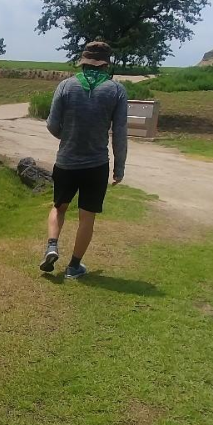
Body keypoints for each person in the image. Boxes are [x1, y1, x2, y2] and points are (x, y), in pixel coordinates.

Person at [40, 41, 128, 279]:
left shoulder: (66, 86)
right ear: (106, 64)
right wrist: (119, 167)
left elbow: (51, 124)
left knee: (59, 207)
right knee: (87, 217)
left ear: (83, 62)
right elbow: (120, 132)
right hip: (96, 164)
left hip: (66, 161)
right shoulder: (116, 90)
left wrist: (67, 136)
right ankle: (74, 266)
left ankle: (51, 246)